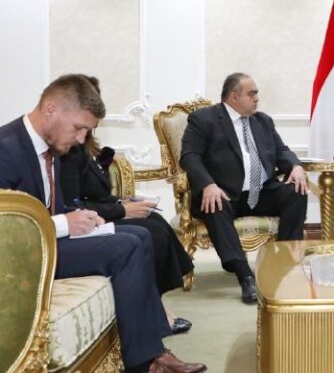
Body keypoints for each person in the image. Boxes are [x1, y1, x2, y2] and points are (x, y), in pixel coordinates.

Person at [0, 74, 205, 373]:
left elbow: (55, 206)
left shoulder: (50, 144)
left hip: (49, 242)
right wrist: (65, 223)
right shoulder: (6, 149)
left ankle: (152, 353)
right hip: (24, 257)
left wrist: (83, 218)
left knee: (141, 236)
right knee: (127, 246)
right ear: (50, 109)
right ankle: (145, 363)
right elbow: (7, 228)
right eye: (78, 128)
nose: (81, 138)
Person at [180, 72, 308, 304]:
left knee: (295, 192)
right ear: (234, 96)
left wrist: (296, 166)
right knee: (214, 204)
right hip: (224, 194)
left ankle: (285, 264)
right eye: (252, 94)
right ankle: (245, 276)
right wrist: (208, 184)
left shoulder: (263, 121)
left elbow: (281, 151)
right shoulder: (204, 119)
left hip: (262, 192)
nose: (257, 99)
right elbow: (190, 156)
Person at [60, 131, 195, 334]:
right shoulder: (68, 152)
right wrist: (122, 210)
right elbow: (74, 204)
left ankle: (155, 303)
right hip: (85, 222)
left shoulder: (87, 147)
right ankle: (154, 311)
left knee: (155, 220)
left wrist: (122, 202)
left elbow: (98, 195)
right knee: (150, 232)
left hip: (102, 213)